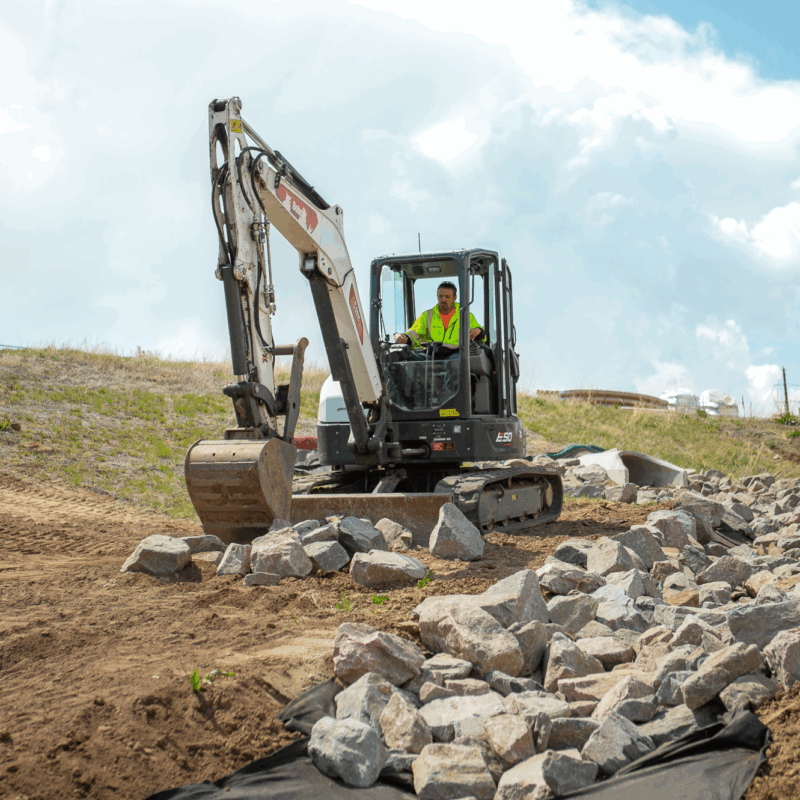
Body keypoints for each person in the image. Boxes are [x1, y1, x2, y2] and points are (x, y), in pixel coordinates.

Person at [394, 281, 483, 348]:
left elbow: (480, 333)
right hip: (432, 358)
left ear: (454, 298)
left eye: (447, 297)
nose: (443, 299)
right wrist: (402, 337)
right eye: (440, 296)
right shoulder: (427, 316)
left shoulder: (464, 315)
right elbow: (413, 335)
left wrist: (478, 331)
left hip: (457, 356)